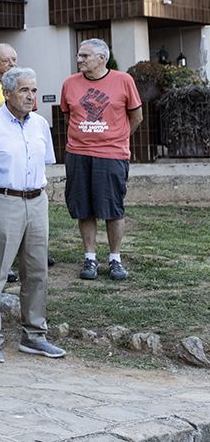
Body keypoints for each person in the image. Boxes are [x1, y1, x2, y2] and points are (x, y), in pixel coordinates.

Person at [0, 67, 66, 362]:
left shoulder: (39, 124)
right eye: (24, 90)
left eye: (34, 90)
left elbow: (45, 162)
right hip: (2, 201)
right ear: (7, 92)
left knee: (37, 271)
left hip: (37, 201)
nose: (31, 96)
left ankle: (35, 335)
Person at [60, 38, 142, 281]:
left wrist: (117, 139)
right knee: (84, 208)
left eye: (85, 56)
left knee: (113, 209)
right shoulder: (69, 84)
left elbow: (136, 116)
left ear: (101, 58)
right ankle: (90, 257)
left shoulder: (123, 80)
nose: (79, 60)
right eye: (79, 55)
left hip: (112, 155)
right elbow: (69, 117)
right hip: (78, 153)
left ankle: (115, 259)